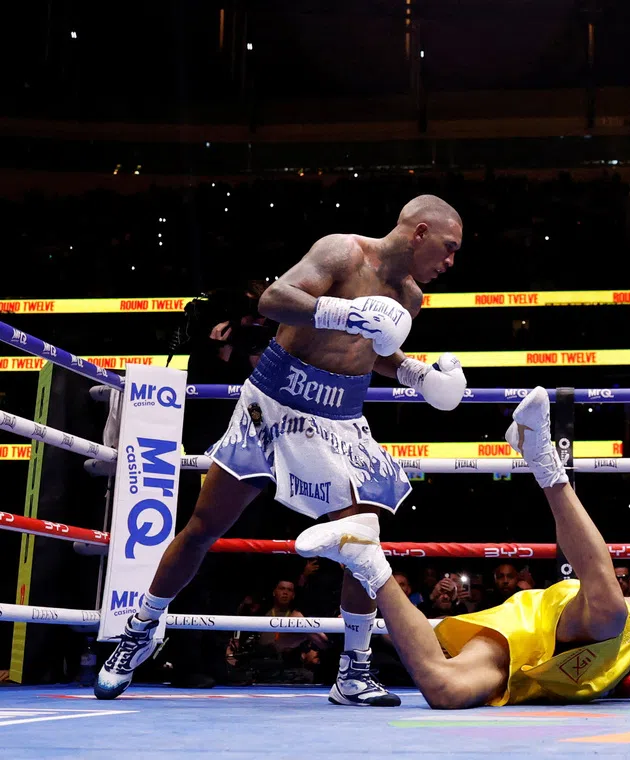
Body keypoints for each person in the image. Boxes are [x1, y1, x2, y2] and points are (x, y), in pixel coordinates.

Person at [96, 195, 468, 706]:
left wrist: (415, 373)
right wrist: (347, 311)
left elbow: (374, 348)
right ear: (420, 232)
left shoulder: (411, 298)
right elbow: (274, 299)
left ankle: (354, 672)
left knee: (364, 539)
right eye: (448, 247)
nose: (450, 261)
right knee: (204, 527)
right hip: (272, 403)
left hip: (340, 418)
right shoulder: (343, 253)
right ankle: (137, 632)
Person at [294, 388, 630, 707]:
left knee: (445, 690)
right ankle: (545, 461)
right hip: (561, 620)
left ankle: (367, 556)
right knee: (611, 614)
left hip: (538, 670)